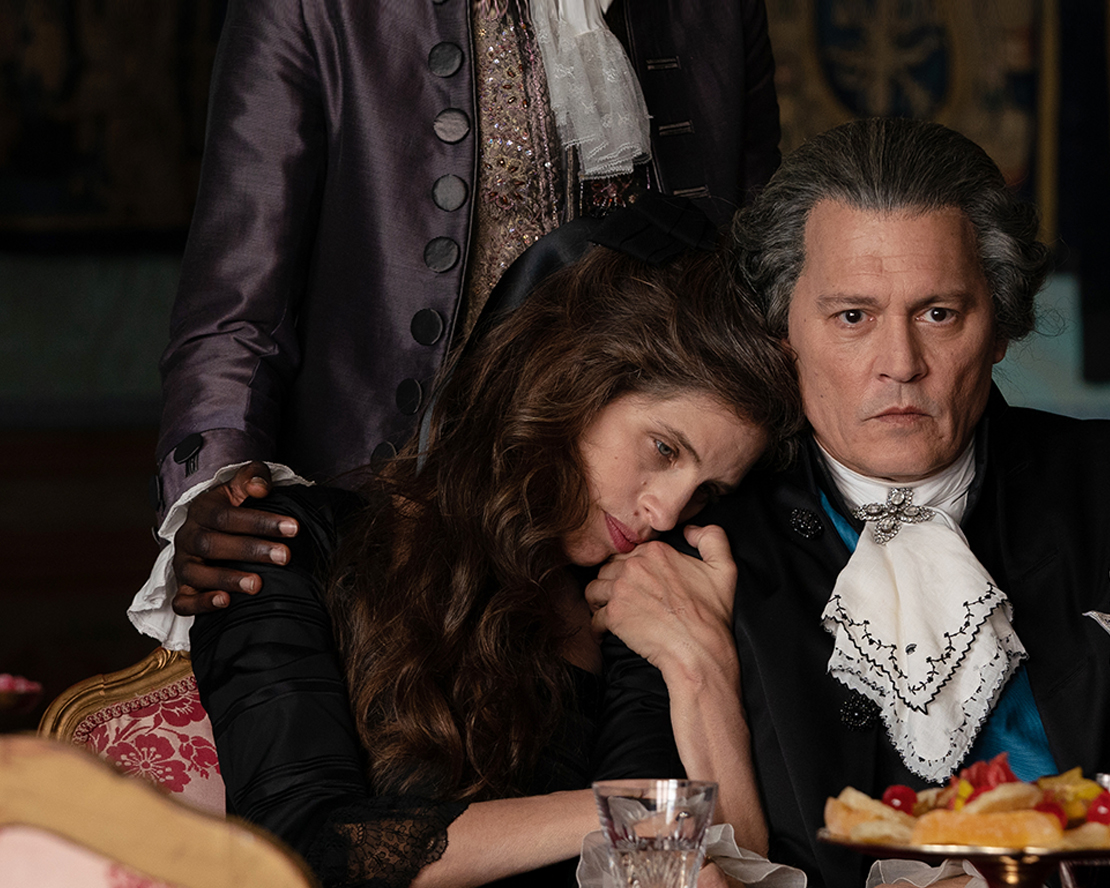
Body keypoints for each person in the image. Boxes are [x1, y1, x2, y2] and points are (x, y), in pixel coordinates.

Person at [593, 117, 1110, 888]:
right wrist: (681, 874)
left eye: (938, 312)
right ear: (782, 330)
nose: (900, 361)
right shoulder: (701, 523)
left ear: (999, 326)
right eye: (852, 315)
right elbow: (641, 775)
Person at [187, 237, 804, 888]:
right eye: (663, 448)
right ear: (573, 381)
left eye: (706, 491)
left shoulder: (627, 605)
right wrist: (623, 812)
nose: (665, 511)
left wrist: (699, 659)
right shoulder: (286, 543)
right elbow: (298, 854)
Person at [139, 0, 781, 633]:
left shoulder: (721, 12)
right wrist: (217, 488)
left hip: (628, 579)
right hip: (372, 542)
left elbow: (758, 296)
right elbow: (237, 302)